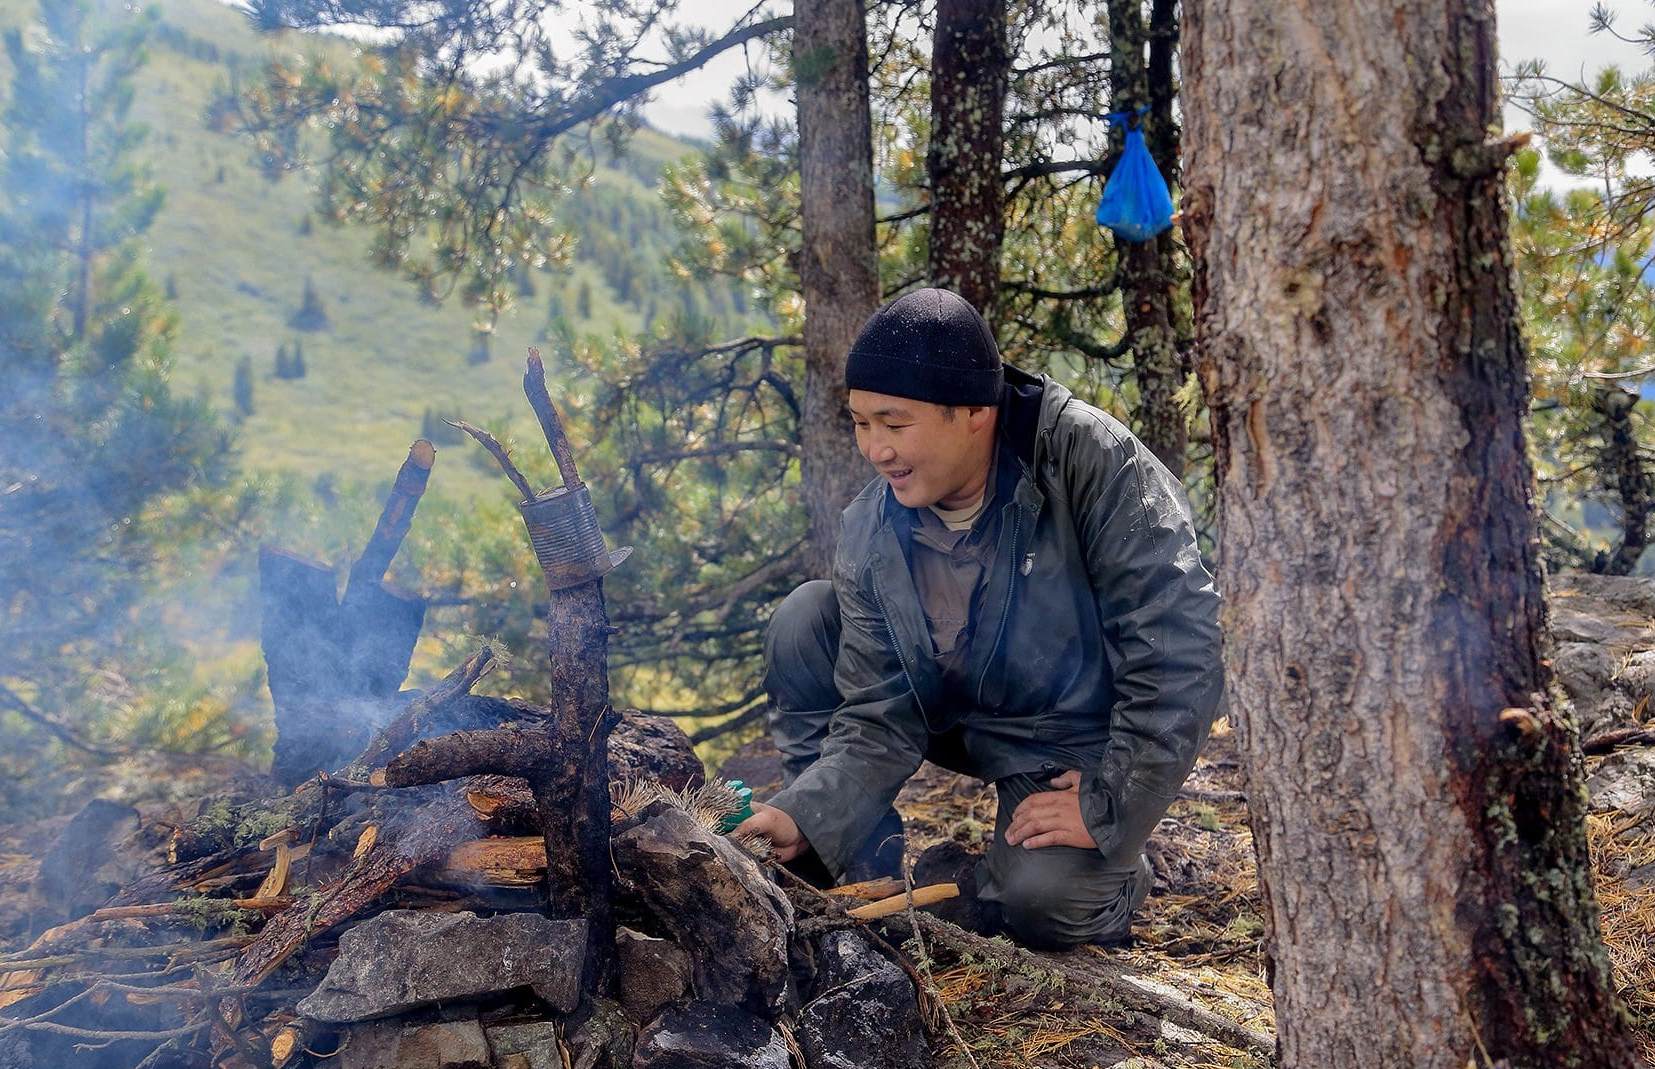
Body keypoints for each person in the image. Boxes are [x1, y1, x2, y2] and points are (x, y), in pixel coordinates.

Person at [736, 287, 1223, 949]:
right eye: (860, 422)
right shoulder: (870, 527)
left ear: (974, 411)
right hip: (948, 709)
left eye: (893, 422)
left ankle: (1071, 878)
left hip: (1060, 734)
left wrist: (1113, 796)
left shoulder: (1091, 460)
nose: (874, 449)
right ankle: (845, 852)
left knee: (1045, 902)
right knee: (805, 619)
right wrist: (803, 814)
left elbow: (1177, 639)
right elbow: (877, 717)